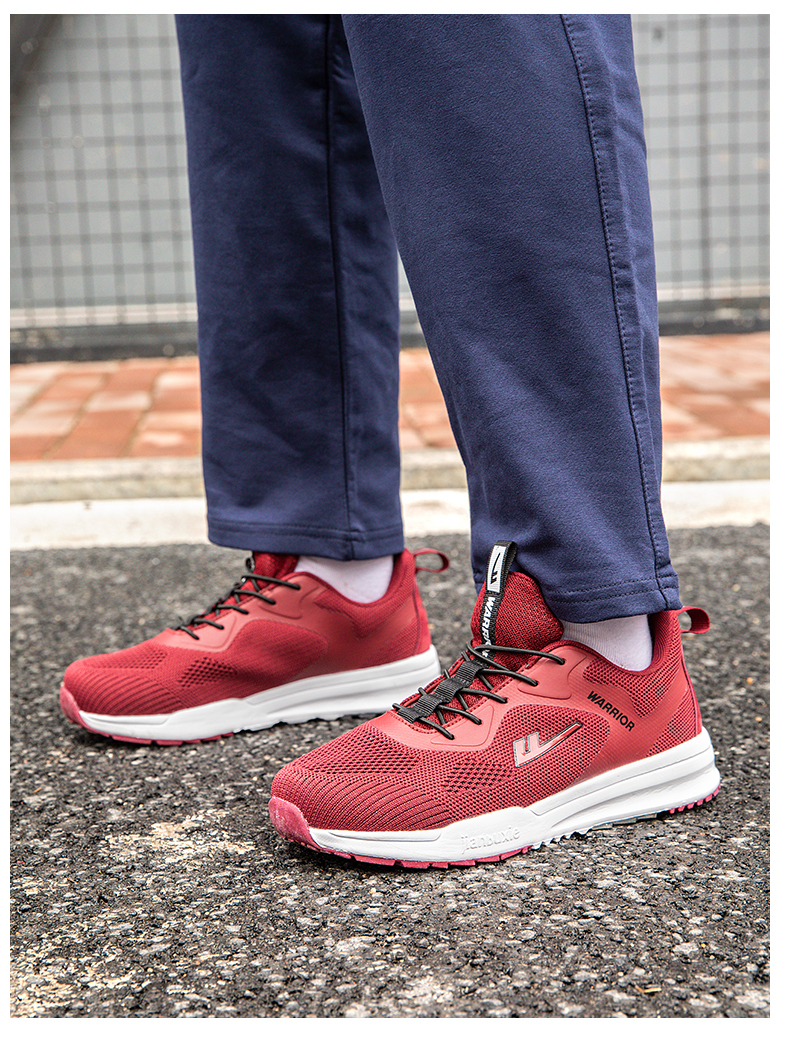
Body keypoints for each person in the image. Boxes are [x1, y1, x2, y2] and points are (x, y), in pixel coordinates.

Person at [60, 14, 719, 866]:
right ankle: (335, 578)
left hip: (607, 666)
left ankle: (604, 648)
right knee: (261, 61)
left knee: (469, 40)